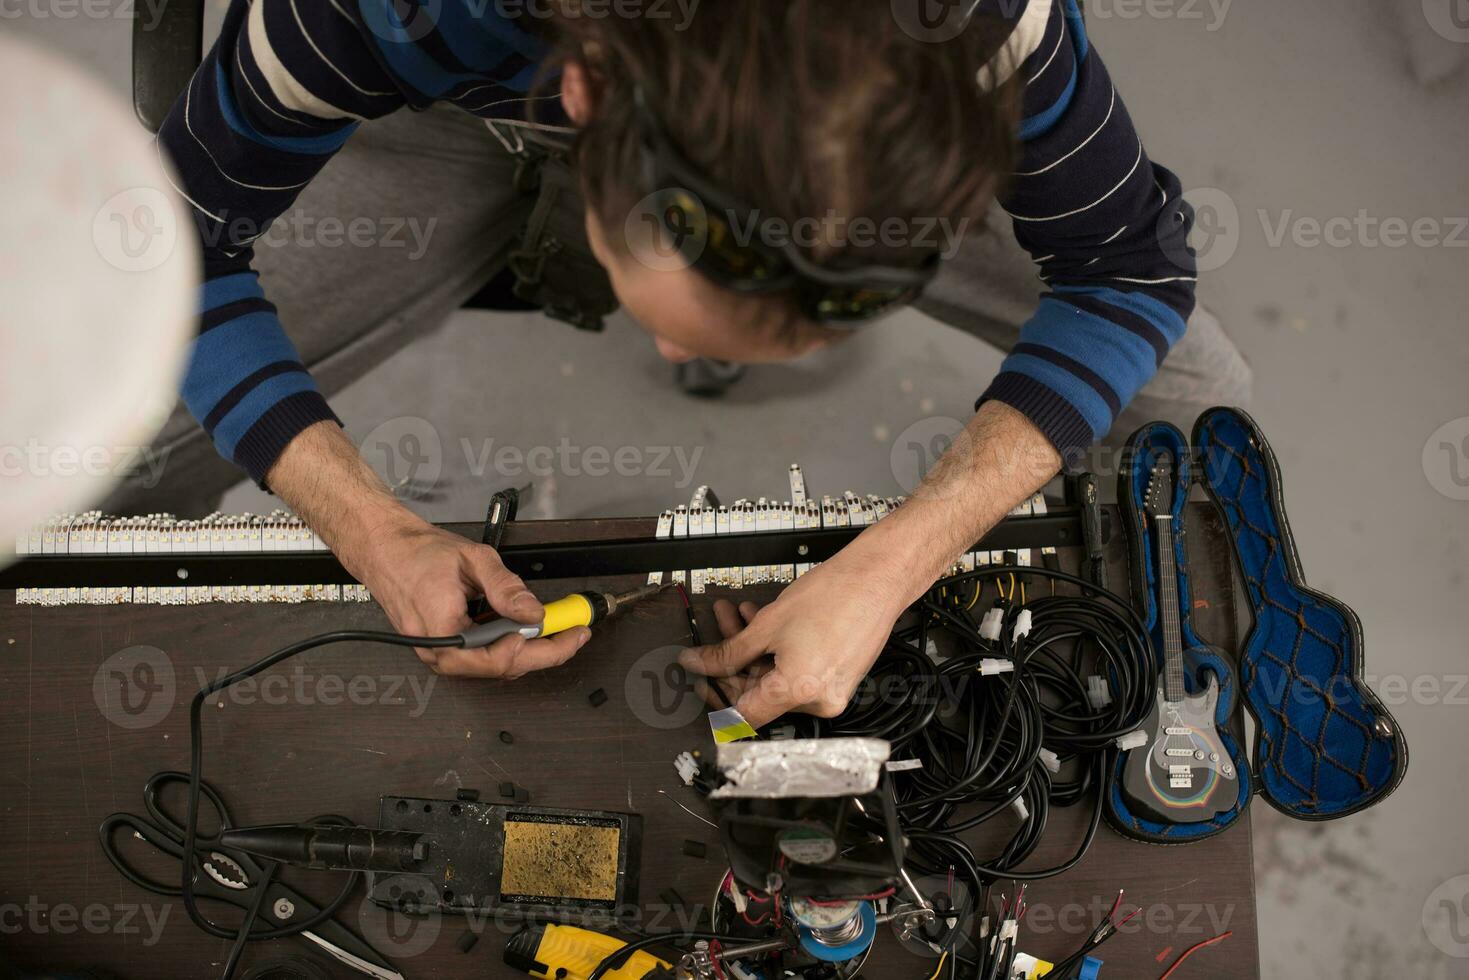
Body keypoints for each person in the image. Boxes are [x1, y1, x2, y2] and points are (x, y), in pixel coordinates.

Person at [124, 0, 1250, 727]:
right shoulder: (375, 14)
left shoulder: (981, 27)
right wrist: (370, 524)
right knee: (93, 435)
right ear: (584, 98)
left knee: (1198, 412)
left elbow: (1127, 271)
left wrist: (895, 563)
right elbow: (166, 246)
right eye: (670, 314)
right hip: (447, 108)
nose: (655, 353)